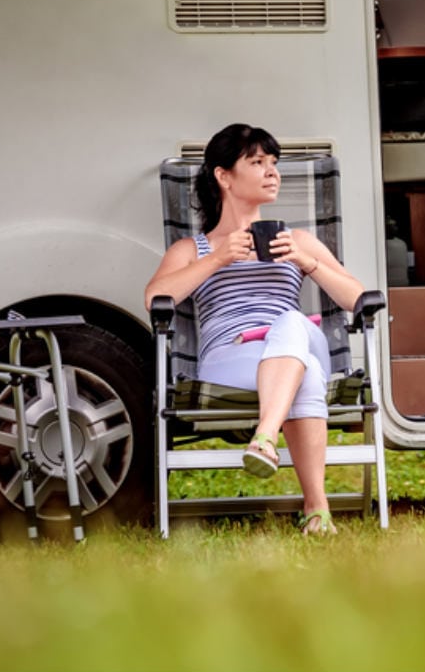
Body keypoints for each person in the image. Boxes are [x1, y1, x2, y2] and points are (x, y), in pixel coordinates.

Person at [144, 123, 364, 536]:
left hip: (296, 337)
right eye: (257, 162)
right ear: (224, 176)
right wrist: (218, 259)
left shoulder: (297, 240)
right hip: (231, 357)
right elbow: (156, 298)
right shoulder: (193, 249)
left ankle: (264, 437)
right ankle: (317, 510)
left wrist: (306, 261)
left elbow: (358, 298)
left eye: (274, 163)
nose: (272, 172)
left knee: (291, 322)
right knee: (308, 374)